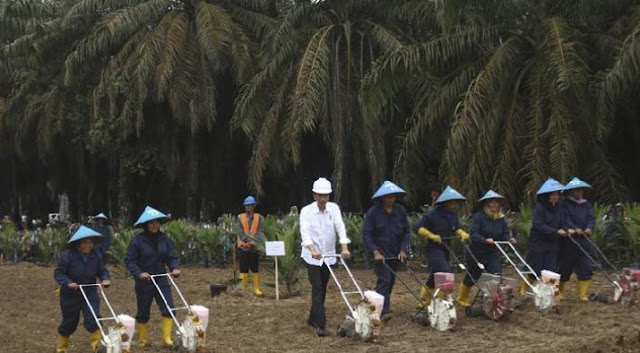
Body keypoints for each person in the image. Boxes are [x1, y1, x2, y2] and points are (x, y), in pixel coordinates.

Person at [300, 177, 351, 337]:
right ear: (314, 195)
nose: (323, 199)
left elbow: (340, 227)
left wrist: (344, 247)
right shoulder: (306, 211)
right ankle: (320, 325)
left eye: (326, 195)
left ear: (329, 196)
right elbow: (305, 233)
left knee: (322, 289)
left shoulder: (334, 209)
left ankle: (311, 318)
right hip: (311, 257)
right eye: (320, 195)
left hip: (328, 256)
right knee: (317, 288)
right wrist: (312, 249)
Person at [125, 206, 180, 347]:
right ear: (146, 225)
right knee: (143, 312)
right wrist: (139, 273)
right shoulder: (138, 240)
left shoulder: (164, 238)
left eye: (157, 222)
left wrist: (174, 267)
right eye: (151, 223)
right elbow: (130, 260)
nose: (155, 225)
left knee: (169, 307)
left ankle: (167, 339)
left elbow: (171, 256)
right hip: (145, 280)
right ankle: (143, 340)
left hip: (161, 278)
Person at [54, 226, 111, 353]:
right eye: (85, 243)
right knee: (70, 322)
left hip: (89, 291)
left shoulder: (96, 255)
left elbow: (102, 270)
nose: (88, 245)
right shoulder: (67, 255)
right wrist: (68, 282)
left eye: (90, 243)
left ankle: (97, 347)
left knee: (94, 318)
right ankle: (61, 348)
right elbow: (58, 273)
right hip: (70, 294)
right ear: (78, 243)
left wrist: (105, 279)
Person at [456, 190, 517, 307]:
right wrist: (484, 239)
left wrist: (509, 238)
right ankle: (462, 298)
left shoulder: (500, 219)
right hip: (477, 252)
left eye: (496, 203)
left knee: (496, 274)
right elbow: (473, 233)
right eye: (492, 203)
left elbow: (504, 232)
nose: (494, 205)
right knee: (472, 276)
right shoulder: (479, 217)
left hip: (492, 252)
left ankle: (489, 299)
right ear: (486, 204)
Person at [414, 186, 470, 307]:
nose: (453, 204)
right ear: (444, 202)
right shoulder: (432, 214)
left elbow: (456, 228)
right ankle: (438, 302)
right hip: (433, 249)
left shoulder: (452, 215)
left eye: (454, 202)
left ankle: (424, 299)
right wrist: (431, 235)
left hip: (446, 249)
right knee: (445, 272)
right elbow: (418, 227)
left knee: (435, 275)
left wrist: (461, 233)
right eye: (451, 202)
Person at [363, 181, 410, 321]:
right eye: (387, 197)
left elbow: (407, 232)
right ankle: (383, 311)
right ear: (382, 198)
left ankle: (374, 304)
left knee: (390, 281)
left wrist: (403, 250)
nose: (390, 199)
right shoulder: (373, 213)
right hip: (380, 253)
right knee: (385, 280)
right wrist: (375, 252)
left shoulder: (400, 211)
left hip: (395, 253)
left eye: (392, 197)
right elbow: (367, 234)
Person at [526, 178, 566, 294]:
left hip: (552, 243)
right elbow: (539, 225)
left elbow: (562, 222)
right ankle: (525, 288)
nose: (555, 197)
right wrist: (555, 231)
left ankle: (548, 293)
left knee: (551, 269)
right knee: (536, 269)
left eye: (557, 194)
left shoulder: (559, 208)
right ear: (547, 195)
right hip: (538, 242)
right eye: (552, 195)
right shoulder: (540, 207)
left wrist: (566, 229)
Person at [558, 177, 595, 301]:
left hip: (584, 241)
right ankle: (559, 292)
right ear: (570, 192)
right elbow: (564, 220)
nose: (578, 193)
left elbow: (591, 218)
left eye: (580, 190)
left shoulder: (587, 205)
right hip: (569, 241)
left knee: (586, 266)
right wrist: (574, 228)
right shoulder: (564, 205)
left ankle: (582, 294)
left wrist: (589, 228)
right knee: (564, 267)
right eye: (576, 191)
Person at [236, 196, 265, 296]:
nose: (248, 208)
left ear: (253, 206)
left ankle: (256, 288)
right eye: (246, 206)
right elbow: (239, 231)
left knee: (254, 267)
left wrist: (253, 241)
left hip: (254, 247)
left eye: (250, 206)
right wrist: (246, 240)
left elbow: (260, 232)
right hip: (243, 246)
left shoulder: (260, 218)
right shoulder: (240, 217)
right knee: (243, 268)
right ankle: (242, 289)